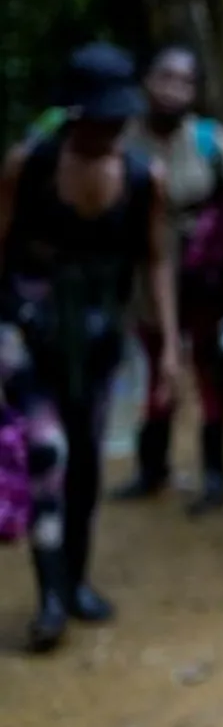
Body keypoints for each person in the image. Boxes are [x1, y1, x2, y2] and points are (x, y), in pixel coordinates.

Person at [0, 43, 180, 653]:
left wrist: (169, 349)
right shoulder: (28, 166)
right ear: (75, 115)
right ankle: (50, 597)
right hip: (29, 334)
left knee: (85, 464)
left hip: (101, 339)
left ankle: (76, 581)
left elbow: (156, 260)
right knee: (46, 451)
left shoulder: (140, 178)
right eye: (101, 117)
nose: (112, 129)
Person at [109, 44, 223, 515]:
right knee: (157, 363)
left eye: (185, 81)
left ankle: (215, 476)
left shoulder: (209, 139)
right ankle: (151, 467)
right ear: (145, 81)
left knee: (209, 374)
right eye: (165, 77)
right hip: (146, 277)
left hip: (205, 281)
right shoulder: (124, 139)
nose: (173, 89)